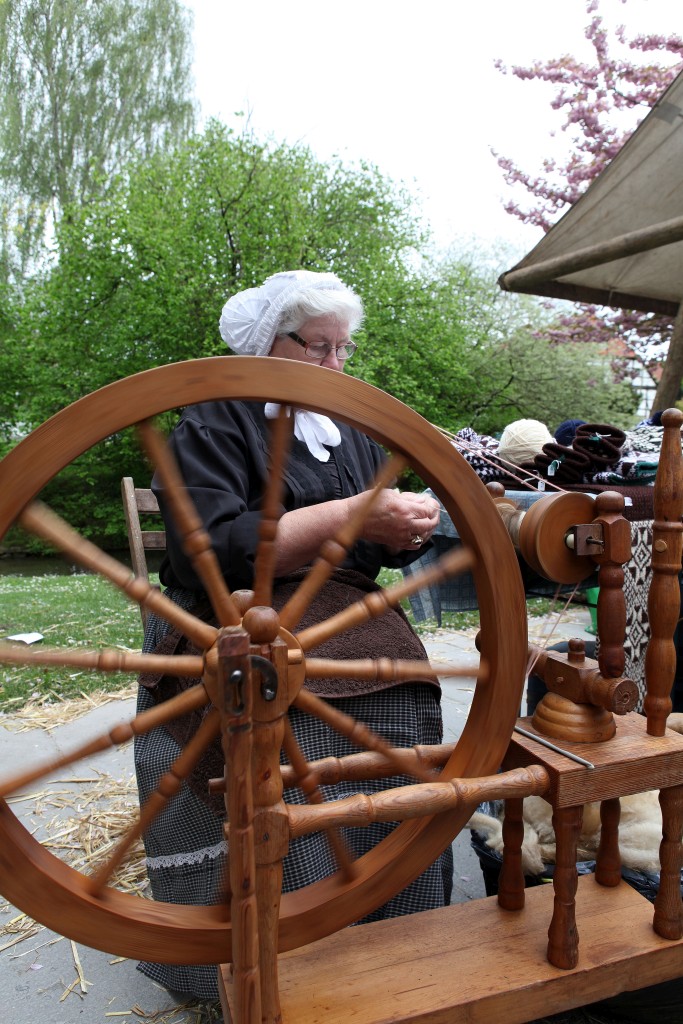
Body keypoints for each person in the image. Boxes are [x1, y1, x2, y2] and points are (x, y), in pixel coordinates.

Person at [134, 270, 453, 1000]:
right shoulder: (216, 419)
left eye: (344, 349)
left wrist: (400, 532)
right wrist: (351, 515)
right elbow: (208, 549)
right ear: (270, 342)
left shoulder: (347, 431)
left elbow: (366, 547)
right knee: (267, 705)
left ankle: (389, 924)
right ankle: (266, 948)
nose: (335, 366)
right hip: (229, 612)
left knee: (400, 687)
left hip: (339, 612)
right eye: (319, 347)